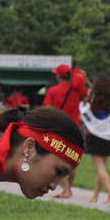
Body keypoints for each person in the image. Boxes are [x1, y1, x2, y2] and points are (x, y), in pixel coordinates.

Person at [44, 64, 90, 198]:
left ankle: (66, 191)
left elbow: (47, 109)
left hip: (60, 127)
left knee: (61, 158)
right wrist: (85, 80)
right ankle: (68, 189)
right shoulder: (76, 89)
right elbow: (90, 95)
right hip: (75, 128)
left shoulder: (53, 90)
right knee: (72, 158)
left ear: (59, 76)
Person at [81, 73, 110, 206]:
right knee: (101, 169)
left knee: (100, 169)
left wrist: (89, 85)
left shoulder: (93, 101)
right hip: (108, 137)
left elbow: (84, 110)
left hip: (95, 136)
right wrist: (90, 84)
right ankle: (95, 196)